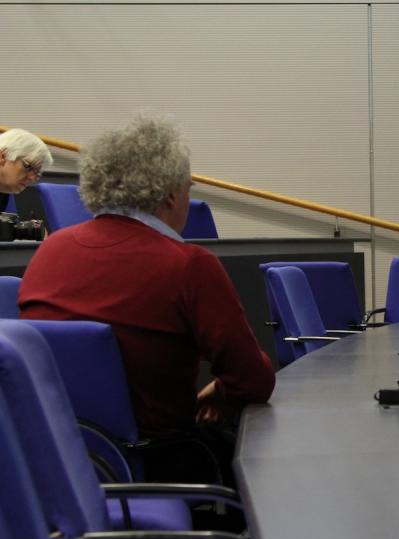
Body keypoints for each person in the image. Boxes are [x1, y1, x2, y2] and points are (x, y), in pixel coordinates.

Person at [19, 115, 274, 485]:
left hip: (56, 464)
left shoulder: (49, 250)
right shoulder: (189, 265)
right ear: (170, 194)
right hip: (156, 463)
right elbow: (253, 380)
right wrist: (221, 390)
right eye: (188, 188)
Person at [0, 128, 53, 206]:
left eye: (37, 174)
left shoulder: (3, 193)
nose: (32, 178)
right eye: (28, 166)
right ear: (2, 156)